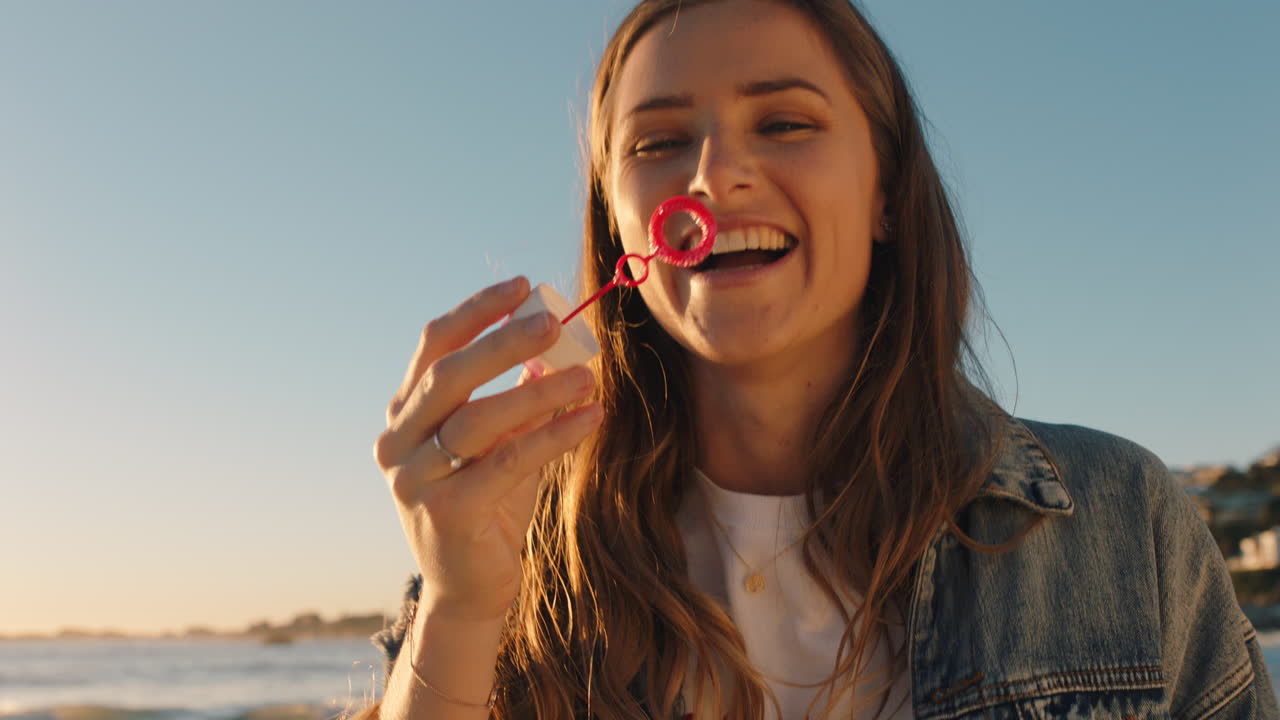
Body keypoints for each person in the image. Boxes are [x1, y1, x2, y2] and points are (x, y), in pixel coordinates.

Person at [362, 1, 1278, 718]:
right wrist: (459, 611)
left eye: (786, 124)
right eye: (658, 142)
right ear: (621, 226)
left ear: (885, 193)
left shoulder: (1121, 522)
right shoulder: (515, 542)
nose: (714, 178)